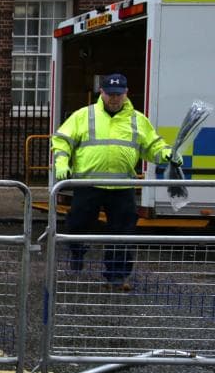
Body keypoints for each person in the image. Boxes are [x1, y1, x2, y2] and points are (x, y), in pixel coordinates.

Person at [51, 72, 179, 290]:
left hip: (122, 187)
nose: (114, 98)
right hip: (88, 184)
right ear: (101, 92)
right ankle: (77, 252)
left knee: (122, 234)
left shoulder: (138, 120)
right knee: (77, 225)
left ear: (126, 93)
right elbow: (61, 141)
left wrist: (167, 153)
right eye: (110, 93)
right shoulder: (84, 115)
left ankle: (117, 276)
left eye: (118, 94)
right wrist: (61, 163)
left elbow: (153, 146)